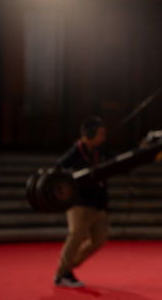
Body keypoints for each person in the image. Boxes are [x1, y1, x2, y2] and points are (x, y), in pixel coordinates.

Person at [53, 116, 113, 288]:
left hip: (98, 204)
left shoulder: (103, 151)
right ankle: (61, 274)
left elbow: (117, 163)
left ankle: (67, 268)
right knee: (77, 235)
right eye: (101, 134)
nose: (103, 138)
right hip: (79, 203)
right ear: (89, 134)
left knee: (99, 239)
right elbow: (58, 170)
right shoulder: (75, 154)